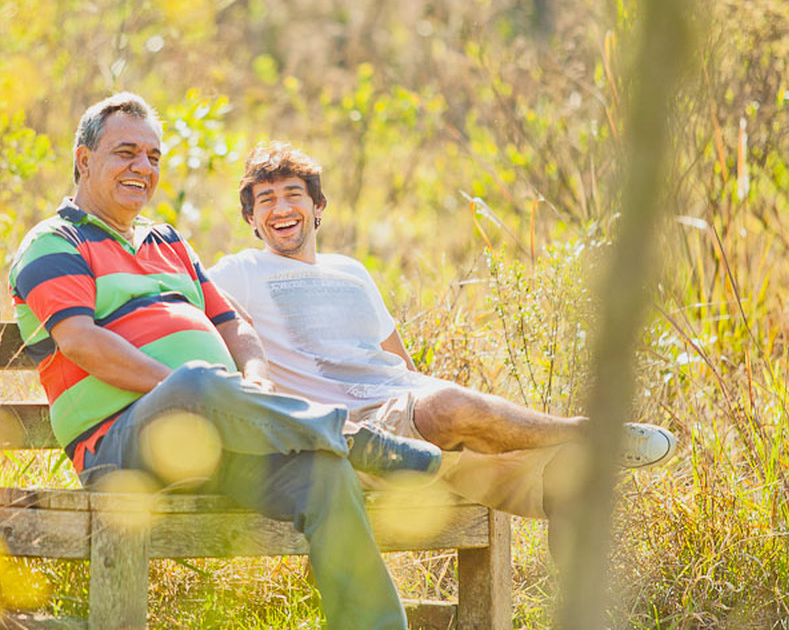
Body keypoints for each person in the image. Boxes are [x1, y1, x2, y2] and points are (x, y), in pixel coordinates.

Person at [8, 94, 439, 630]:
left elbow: (233, 325)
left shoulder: (169, 242)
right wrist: (193, 393)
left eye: (153, 157)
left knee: (322, 473)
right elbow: (80, 342)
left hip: (216, 442)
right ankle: (352, 438)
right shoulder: (54, 241)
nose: (143, 168)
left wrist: (251, 383)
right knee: (196, 383)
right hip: (119, 448)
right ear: (84, 160)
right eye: (126, 153)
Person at [208, 141, 677, 555]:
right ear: (251, 218)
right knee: (452, 405)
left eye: (293, 194)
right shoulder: (240, 271)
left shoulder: (351, 271)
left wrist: (446, 414)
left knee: (571, 480)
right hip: (354, 432)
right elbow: (185, 299)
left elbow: (403, 366)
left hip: (414, 420)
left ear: (318, 206)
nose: (280, 208)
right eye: (265, 200)